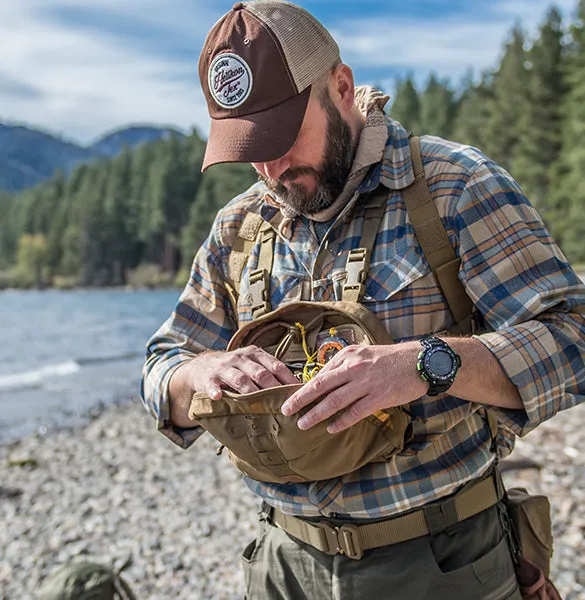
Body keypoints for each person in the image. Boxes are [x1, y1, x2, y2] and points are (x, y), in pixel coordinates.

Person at [141, 1, 585, 598]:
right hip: (282, 566)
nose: (272, 168)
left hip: (441, 564)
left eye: (285, 135)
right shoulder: (238, 227)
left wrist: (427, 364)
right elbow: (160, 366)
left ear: (341, 87)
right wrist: (200, 370)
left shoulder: (455, 187)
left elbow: (573, 337)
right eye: (251, 145)